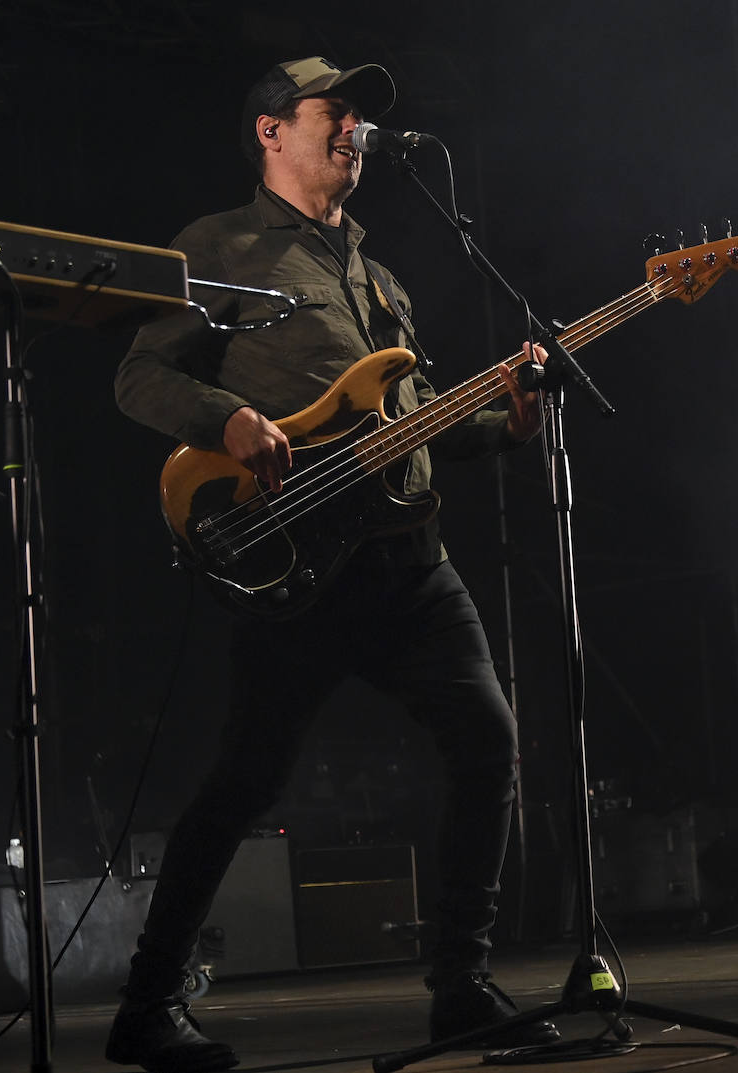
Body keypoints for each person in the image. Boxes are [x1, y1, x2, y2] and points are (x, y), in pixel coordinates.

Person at [104, 57, 557, 1072]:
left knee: (487, 741)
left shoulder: (378, 274)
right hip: (293, 560)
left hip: (407, 560)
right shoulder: (217, 246)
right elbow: (139, 375)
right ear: (271, 130)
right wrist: (224, 415)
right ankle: (146, 1000)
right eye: (334, 111)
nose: (354, 130)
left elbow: (417, 426)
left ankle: (460, 987)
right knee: (242, 781)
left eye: (360, 118)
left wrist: (507, 418)